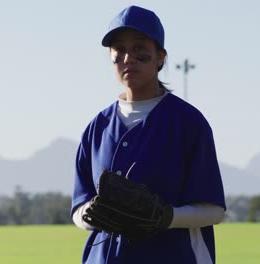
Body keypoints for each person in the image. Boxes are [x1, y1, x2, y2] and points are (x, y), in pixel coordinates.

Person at [70, 5, 226, 264]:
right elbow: (78, 209)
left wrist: (166, 216)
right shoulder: (96, 127)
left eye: (140, 48)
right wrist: (91, 214)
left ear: (160, 57)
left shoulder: (188, 123)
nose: (128, 57)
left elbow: (213, 211)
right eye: (119, 50)